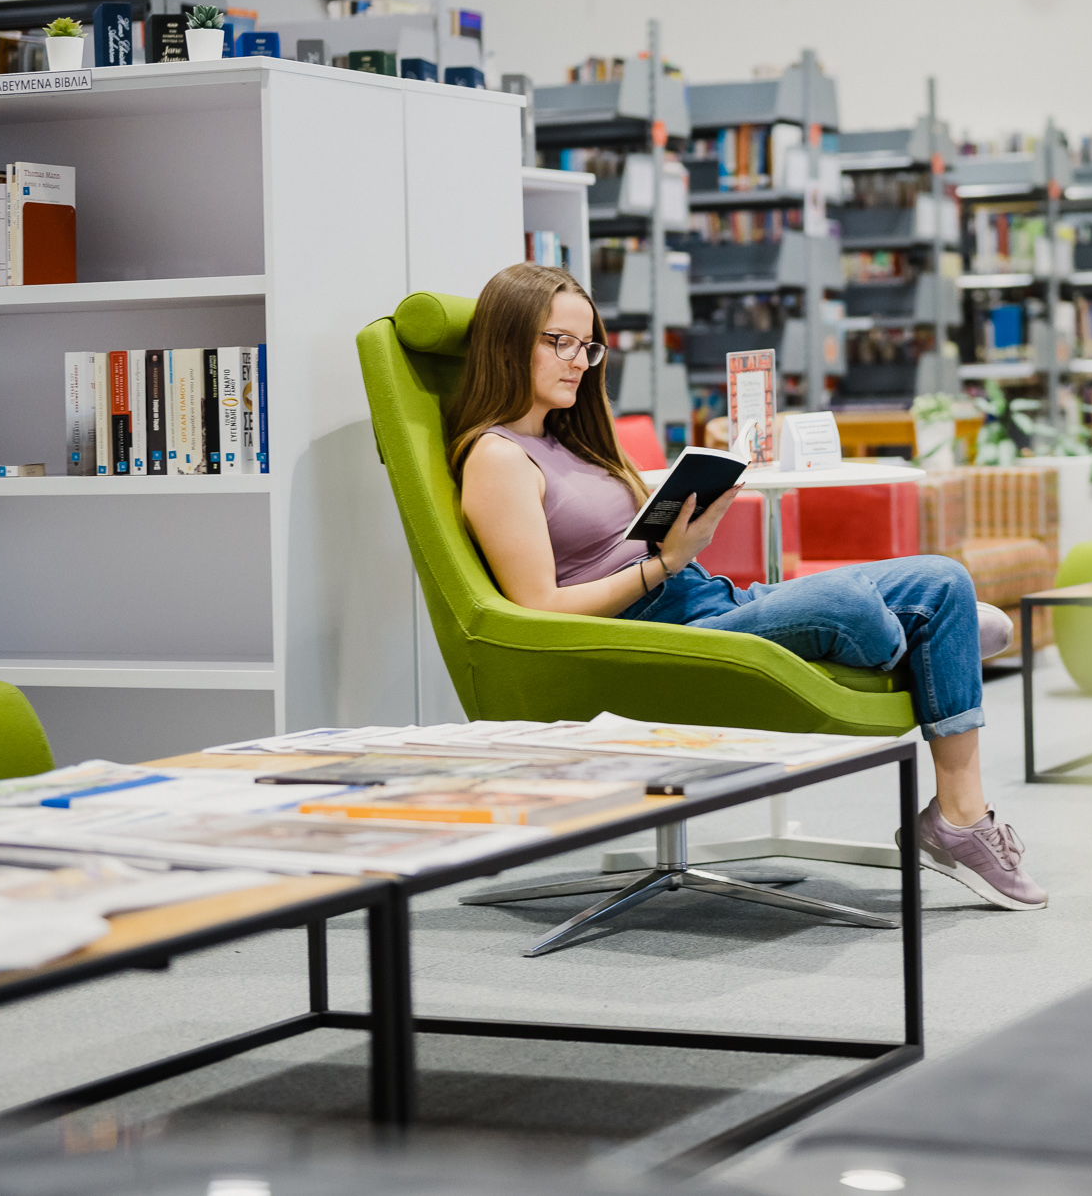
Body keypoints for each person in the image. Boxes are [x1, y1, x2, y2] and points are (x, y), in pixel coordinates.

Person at [445, 263, 1046, 911]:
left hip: (715, 599)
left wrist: (679, 533)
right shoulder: (498, 457)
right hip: (658, 634)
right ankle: (930, 644)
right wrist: (664, 563)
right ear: (508, 340)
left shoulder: (574, 440)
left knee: (944, 575)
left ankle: (959, 818)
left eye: (587, 346)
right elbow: (541, 609)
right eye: (556, 341)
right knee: (851, 605)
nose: (578, 361)